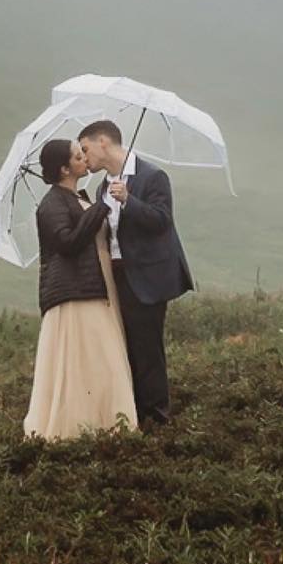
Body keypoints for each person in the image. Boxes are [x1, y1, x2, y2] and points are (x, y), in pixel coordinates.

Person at [77, 120, 193, 425]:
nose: (83, 157)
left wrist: (130, 200)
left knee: (147, 348)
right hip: (116, 276)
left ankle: (156, 418)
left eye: (86, 149)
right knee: (123, 347)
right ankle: (131, 415)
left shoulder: (152, 176)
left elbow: (161, 220)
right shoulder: (102, 186)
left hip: (147, 278)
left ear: (103, 142)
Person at [22, 137, 138, 441]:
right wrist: (98, 210)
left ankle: (108, 424)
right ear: (64, 169)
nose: (84, 159)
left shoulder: (77, 198)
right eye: (77, 157)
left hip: (96, 284)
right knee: (84, 358)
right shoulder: (51, 205)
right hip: (75, 291)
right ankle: (78, 428)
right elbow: (67, 243)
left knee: (102, 358)